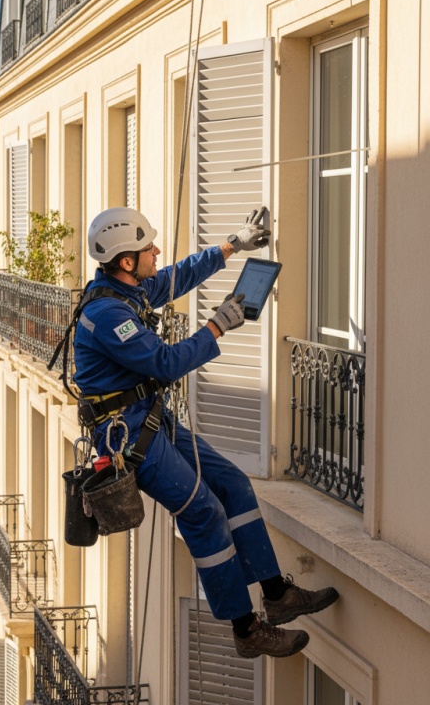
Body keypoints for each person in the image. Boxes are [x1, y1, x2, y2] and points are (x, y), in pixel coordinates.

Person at [72, 206, 339, 658]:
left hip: (147, 419)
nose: (156, 250)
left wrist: (234, 243)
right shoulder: (109, 317)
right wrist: (218, 325)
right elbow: (165, 362)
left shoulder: (126, 289)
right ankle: (245, 628)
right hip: (128, 436)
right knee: (204, 511)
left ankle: (276, 595)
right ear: (126, 262)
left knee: (233, 483)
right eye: (146, 248)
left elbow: (177, 276)